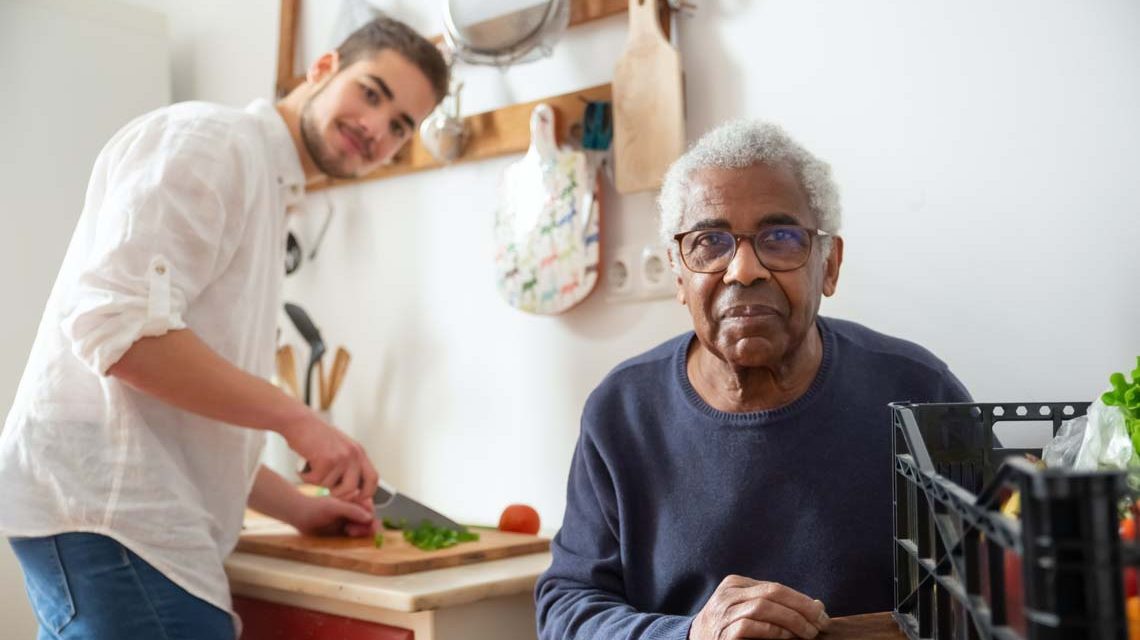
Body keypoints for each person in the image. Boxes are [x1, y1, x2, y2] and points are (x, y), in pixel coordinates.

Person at [0, 16, 448, 640]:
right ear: (321, 69)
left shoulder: (265, 186)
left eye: (402, 124)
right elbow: (118, 331)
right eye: (371, 92)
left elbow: (180, 418)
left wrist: (294, 506)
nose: (376, 128)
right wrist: (299, 419)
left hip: (124, 531)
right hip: (116, 526)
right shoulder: (214, 142)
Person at [535, 120, 971, 640]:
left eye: (780, 238)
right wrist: (693, 635)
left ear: (828, 266)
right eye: (709, 242)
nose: (743, 270)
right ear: (679, 273)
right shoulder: (622, 411)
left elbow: (1001, 581)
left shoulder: (918, 391)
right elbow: (566, 606)